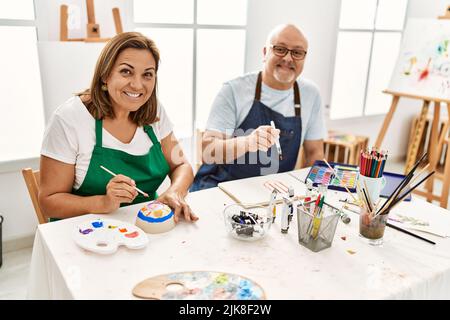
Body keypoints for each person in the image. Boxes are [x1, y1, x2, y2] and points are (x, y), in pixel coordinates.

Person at [39, 32, 198, 223]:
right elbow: (48, 202)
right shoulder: (69, 119)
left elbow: (181, 165)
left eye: (147, 74)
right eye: (126, 71)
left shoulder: (154, 111)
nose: (138, 85)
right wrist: (103, 203)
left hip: (144, 226)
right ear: (105, 75)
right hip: (84, 232)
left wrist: (174, 192)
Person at [191, 24, 326, 191]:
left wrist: (315, 193)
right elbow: (209, 151)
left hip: (272, 192)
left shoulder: (311, 94)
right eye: (280, 49)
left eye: (297, 52)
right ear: (265, 53)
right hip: (220, 188)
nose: (288, 58)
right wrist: (248, 142)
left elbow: (315, 153)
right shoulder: (234, 90)